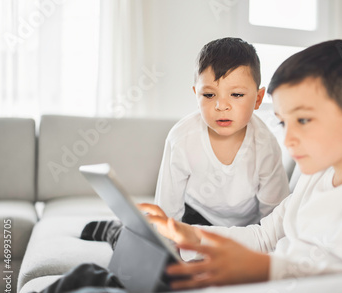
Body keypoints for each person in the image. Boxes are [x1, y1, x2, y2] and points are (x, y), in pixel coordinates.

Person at [0, 39, 342, 293]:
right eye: (285, 122)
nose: (291, 137)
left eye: (303, 119)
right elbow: (266, 235)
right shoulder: (318, 181)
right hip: (256, 291)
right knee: (95, 275)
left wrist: (267, 272)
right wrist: (187, 233)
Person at [80, 37, 290, 250]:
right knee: (151, 240)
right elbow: (168, 210)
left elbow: (276, 216)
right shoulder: (182, 138)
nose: (221, 105)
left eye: (236, 94)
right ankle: (117, 231)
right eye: (209, 95)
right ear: (196, 95)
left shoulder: (265, 146)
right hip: (195, 216)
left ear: (258, 98)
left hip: (246, 228)